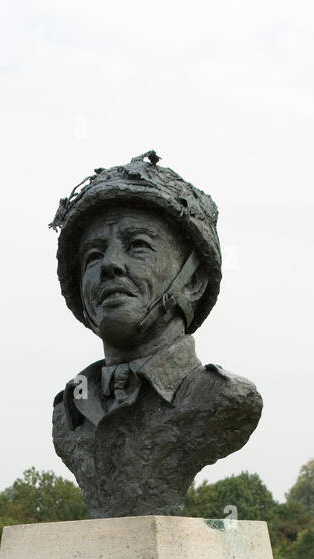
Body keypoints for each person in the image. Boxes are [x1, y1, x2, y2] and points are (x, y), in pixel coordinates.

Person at [50, 150, 263, 518]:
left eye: (138, 246)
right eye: (93, 255)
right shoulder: (69, 413)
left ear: (193, 280)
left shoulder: (223, 397)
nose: (111, 265)